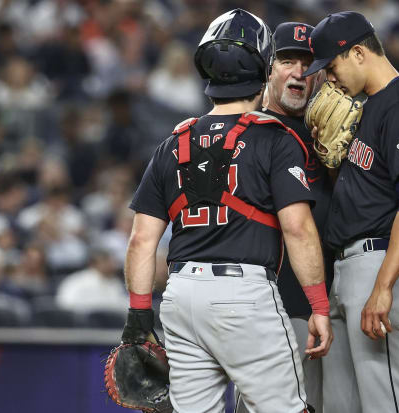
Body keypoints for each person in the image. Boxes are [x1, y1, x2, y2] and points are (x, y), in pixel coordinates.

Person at [121, 9, 332, 413]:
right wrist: (319, 307)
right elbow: (299, 229)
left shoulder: (174, 142)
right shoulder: (276, 138)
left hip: (181, 297)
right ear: (264, 68)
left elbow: (142, 239)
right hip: (244, 294)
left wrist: (138, 314)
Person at [302, 11, 399, 413]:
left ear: (358, 53)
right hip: (350, 265)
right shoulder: (366, 109)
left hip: (383, 264)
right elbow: (362, 193)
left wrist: (384, 287)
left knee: (387, 403)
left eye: (331, 67)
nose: (329, 79)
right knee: (338, 405)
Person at [234, 21, 331, 413]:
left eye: (307, 64)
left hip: (323, 306)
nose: (298, 72)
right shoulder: (246, 132)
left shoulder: (329, 134)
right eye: (287, 60)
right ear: (268, 70)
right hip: (270, 304)